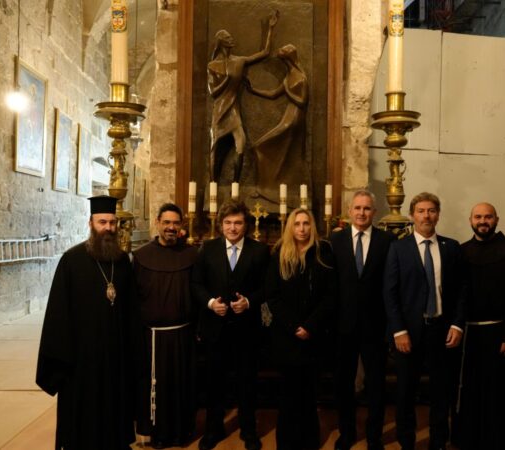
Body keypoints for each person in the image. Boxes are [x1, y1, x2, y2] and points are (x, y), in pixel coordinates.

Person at [36, 195, 139, 450]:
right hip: (82, 361)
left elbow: (132, 310)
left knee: (115, 411)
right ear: (90, 223)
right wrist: (62, 361)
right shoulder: (72, 261)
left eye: (113, 223)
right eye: (102, 222)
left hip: (116, 357)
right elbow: (58, 314)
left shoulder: (123, 261)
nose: (108, 228)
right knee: (83, 422)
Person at [383, 192, 466, 450]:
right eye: (420, 211)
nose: (426, 215)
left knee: (442, 393)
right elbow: (390, 292)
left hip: (443, 332)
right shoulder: (398, 248)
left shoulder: (451, 248)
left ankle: (439, 442)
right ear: (412, 215)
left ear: (438, 215)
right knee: (406, 392)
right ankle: (407, 441)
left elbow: (462, 290)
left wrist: (457, 324)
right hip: (409, 333)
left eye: (431, 210)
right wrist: (398, 330)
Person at [192, 200, 270, 450]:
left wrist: (248, 301)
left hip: (248, 330)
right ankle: (213, 430)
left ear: (245, 225)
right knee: (214, 382)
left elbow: (268, 287)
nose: (233, 228)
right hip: (215, 329)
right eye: (228, 223)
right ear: (221, 224)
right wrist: (210, 302)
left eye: (237, 223)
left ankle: (248, 430)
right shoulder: (208, 248)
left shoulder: (260, 251)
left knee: (247, 383)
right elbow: (196, 284)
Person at [453, 202, 505, 450]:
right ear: (470, 220)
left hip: (500, 336)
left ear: (496, 220)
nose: (482, 221)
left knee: (499, 395)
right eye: (478, 217)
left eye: (488, 217)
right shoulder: (461, 252)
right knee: (471, 393)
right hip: (469, 335)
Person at [265, 208, 336, 450]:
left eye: (306, 223)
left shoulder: (323, 252)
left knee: (309, 393)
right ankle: (286, 442)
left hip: (314, 335)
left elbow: (330, 295)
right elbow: (272, 297)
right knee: (288, 393)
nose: (302, 229)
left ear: (312, 226)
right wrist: (294, 326)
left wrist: (310, 326)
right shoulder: (278, 254)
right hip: (286, 336)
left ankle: (308, 441)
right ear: (291, 227)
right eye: (297, 224)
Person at [330, 190, 393, 450]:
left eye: (367, 209)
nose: (362, 213)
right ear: (349, 210)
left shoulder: (387, 241)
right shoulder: (334, 240)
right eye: (357, 208)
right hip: (342, 325)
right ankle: (346, 433)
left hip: (375, 325)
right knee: (344, 384)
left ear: (374, 213)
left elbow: (391, 284)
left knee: (376, 385)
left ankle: (374, 437)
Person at [132, 203, 198, 448]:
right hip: (152, 338)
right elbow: (134, 299)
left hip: (183, 334)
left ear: (182, 225)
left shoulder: (192, 255)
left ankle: (182, 432)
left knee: (181, 387)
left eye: (176, 223)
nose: (171, 227)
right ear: (158, 222)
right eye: (167, 222)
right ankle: (158, 435)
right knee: (156, 388)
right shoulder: (140, 257)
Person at [207, 11, 278, 183]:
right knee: (216, 149)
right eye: (228, 38)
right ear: (222, 42)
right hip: (221, 113)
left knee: (241, 143)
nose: (232, 40)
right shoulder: (213, 65)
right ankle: (213, 186)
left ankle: (235, 187)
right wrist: (227, 80)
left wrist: (270, 28)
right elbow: (213, 92)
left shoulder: (239, 61)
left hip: (234, 112)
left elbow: (264, 53)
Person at [247, 43, 308, 194]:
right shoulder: (289, 76)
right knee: (268, 149)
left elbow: (302, 101)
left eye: (283, 50)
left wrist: (288, 90)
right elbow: (274, 94)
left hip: (294, 119)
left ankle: (265, 187)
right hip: (288, 117)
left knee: (261, 146)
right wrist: (253, 90)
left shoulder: (301, 77)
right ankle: (269, 186)